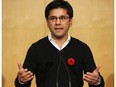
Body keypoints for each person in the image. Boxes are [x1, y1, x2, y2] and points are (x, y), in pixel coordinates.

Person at [15, 0, 104, 87]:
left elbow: (96, 82)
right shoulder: (36, 49)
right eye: (53, 18)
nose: (58, 23)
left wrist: (97, 81)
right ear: (47, 22)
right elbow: (23, 83)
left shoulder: (82, 48)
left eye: (63, 18)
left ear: (70, 21)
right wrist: (21, 80)